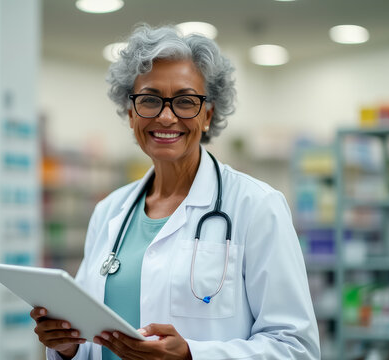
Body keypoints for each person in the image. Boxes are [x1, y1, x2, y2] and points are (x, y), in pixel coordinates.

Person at [31, 24, 320, 360]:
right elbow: (89, 340)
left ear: (208, 114)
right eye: (150, 100)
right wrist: (67, 346)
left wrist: (191, 356)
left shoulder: (257, 206)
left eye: (185, 101)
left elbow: (296, 348)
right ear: (130, 113)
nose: (166, 117)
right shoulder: (110, 211)